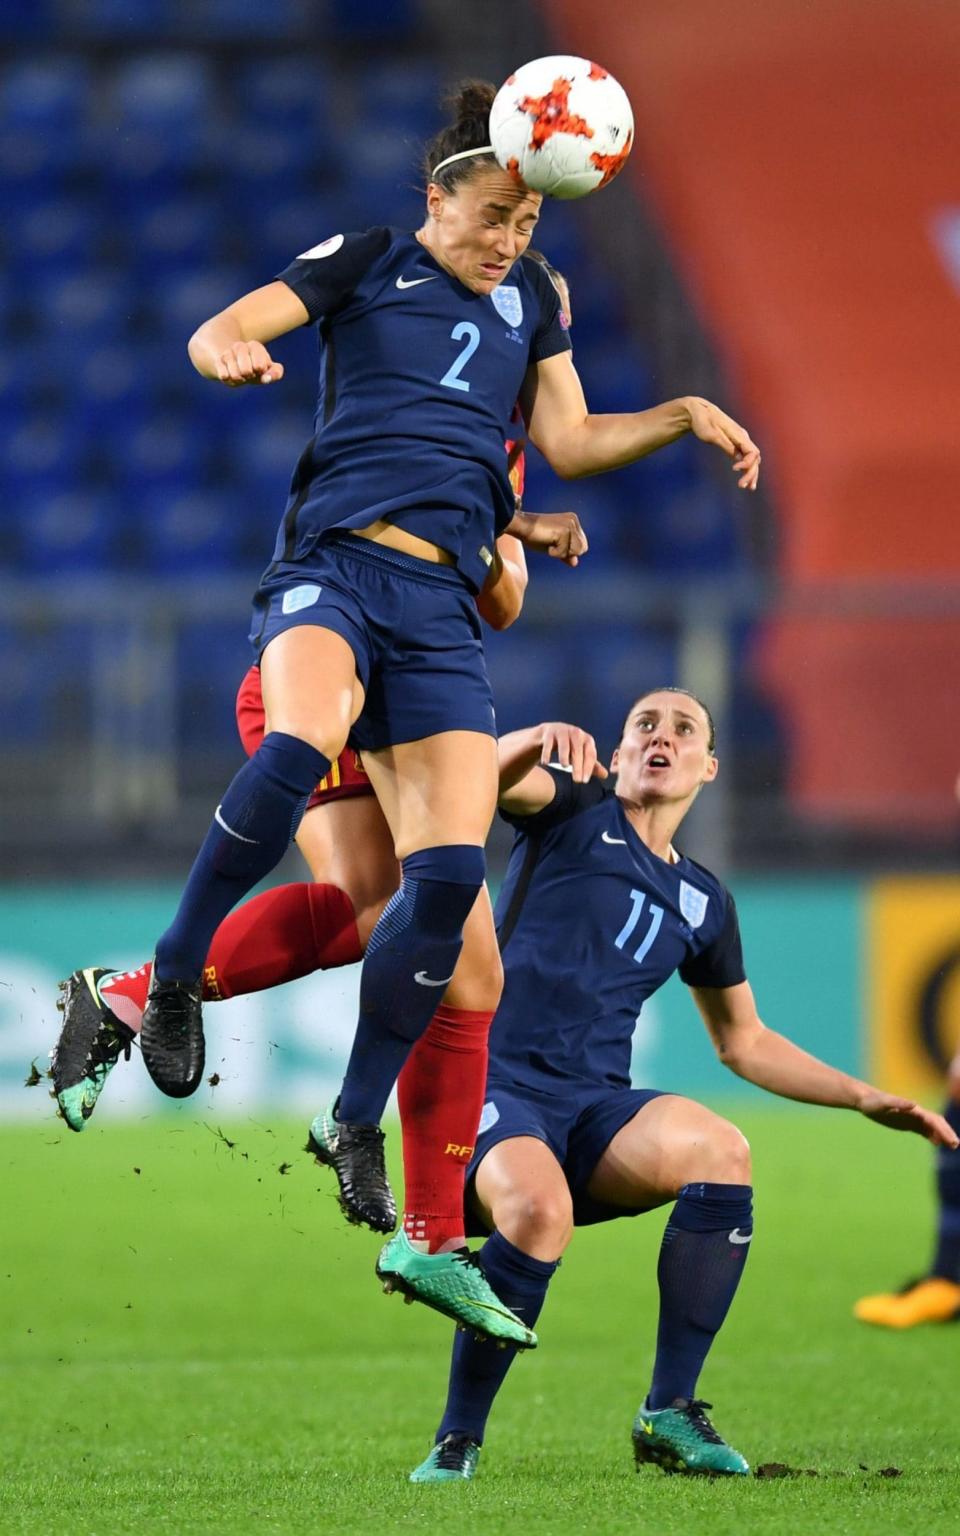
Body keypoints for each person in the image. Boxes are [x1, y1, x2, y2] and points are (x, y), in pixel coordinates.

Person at [60, 73, 761, 1325]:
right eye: (496, 215)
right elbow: (234, 320)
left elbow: (572, 453)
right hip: (335, 583)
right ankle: (161, 982)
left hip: (431, 623)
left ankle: (357, 1142)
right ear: (444, 194)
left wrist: (676, 420)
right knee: (323, 800)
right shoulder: (373, 262)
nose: (512, 240)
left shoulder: (523, 332)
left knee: (440, 912)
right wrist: (223, 343)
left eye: (531, 224)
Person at [395, 687, 958, 1482]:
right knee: (537, 1209)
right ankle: (458, 1440)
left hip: (593, 1108)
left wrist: (865, 1097)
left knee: (724, 1151)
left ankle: (669, 1412)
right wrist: (528, 738)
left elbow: (744, 1041)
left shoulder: (704, 900)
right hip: (493, 1086)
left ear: (709, 766)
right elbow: (469, 782)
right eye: (644, 726)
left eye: (683, 728)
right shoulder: (573, 808)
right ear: (619, 755)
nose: (662, 736)